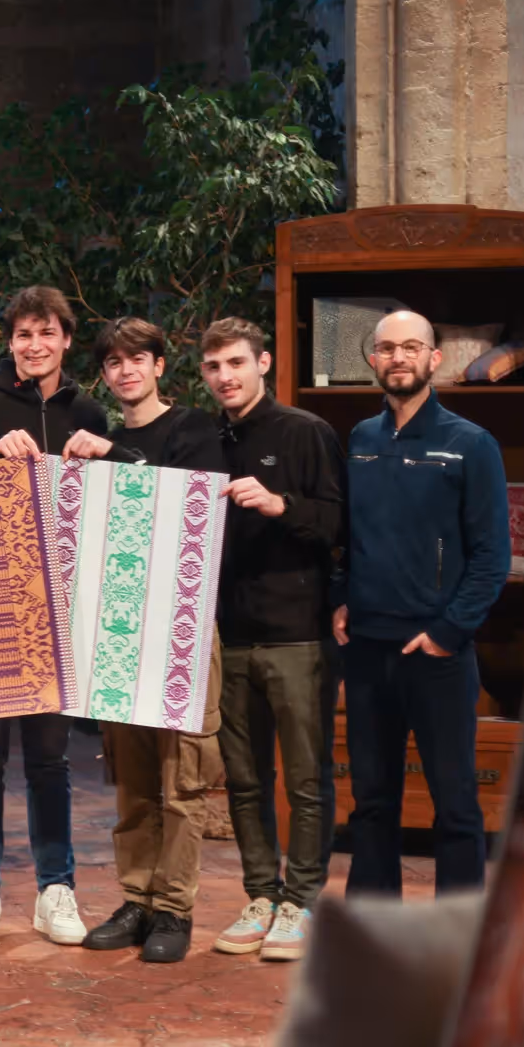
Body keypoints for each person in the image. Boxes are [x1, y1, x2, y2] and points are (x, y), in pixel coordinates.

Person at [0, 286, 109, 950]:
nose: (34, 345)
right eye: (22, 334)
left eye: (46, 333)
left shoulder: (88, 410)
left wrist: (105, 455)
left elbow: (108, 506)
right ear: (9, 342)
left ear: (66, 339)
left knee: (50, 759)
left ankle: (55, 889)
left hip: (59, 612)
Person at [61, 318, 226, 963]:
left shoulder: (193, 429)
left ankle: (174, 909)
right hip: (119, 627)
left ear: (160, 366)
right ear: (103, 375)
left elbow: (192, 502)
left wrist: (113, 457)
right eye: (114, 363)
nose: (126, 371)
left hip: (183, 624)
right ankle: (136, 899)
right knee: (131, 780)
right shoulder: (98, 440)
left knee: (181, 779)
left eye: (138, 359)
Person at [336, 310, 508, 895]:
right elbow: (349, 536)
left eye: (412, 347)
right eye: (387, 348)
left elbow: (492, 557)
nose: (399, 358)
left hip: (437, 653)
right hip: (366, 650)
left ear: (434, 359)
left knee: (455, 803)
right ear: (373, 360)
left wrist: (446, 633)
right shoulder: (360, 439)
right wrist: (341, 599)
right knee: (371, 801)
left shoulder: (471, 444)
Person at [199, 317, 344, 963]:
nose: (225, 376)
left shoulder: (305, 431)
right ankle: (261, 895)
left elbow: (339, 523)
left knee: (306, 779)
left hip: (298, 636)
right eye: (213, 367)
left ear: (264, 363)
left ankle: (301, 902)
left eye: (236, 363)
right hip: (229, 637)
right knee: (244, 779)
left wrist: (281, 504)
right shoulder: (204, 438)